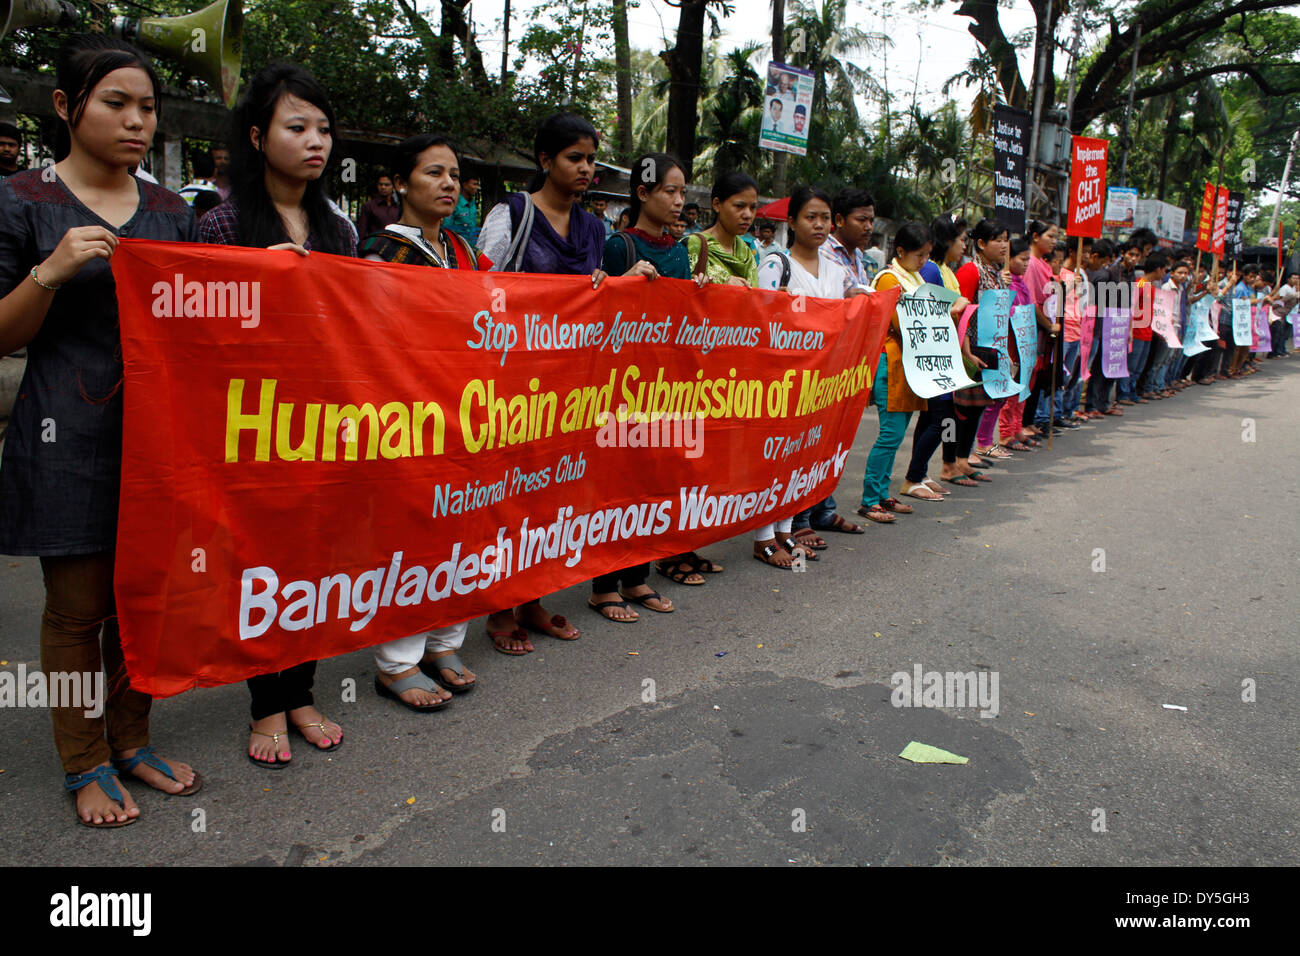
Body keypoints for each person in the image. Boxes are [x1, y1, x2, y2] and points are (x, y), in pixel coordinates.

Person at [0, 34, 202, 827]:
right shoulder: (21, 200)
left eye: (147, 107)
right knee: (78, 610)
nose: (136, 122)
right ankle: (83, 763)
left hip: (157, 437)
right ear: (65, 107)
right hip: (63, 433)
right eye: (116, 102)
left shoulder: (171, 212)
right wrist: (49, 271)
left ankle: (133, 742)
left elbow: (208, 320)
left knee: (143, 604)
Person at [200, 62, 353, 767]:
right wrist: (259, 282)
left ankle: (303, 692)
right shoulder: (221, 224)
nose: (315, 141)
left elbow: (362, 327)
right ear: (259, 137)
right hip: (253, 429)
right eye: (297, 127)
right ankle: (266, 704)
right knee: (262, 571)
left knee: (318, 565)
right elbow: (198, 334)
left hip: (326, 426)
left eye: (323, 128)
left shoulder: (341, 229)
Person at [476, 112, 632, 652]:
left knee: (553, 500)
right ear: (545, 161)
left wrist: (617, 285)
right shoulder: (512, 214)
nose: (587, 168)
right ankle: (499, 611)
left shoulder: (594, 228)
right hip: (513, 386)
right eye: (575, 158)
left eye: (591, 159)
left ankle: (535, 600)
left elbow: (599, 300)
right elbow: (479, 291)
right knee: (507, 501)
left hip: (570, 392)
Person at [358, 133, 490, 708]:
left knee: (462, 529)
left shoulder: (463, 250)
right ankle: (396, 662)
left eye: (454, 175)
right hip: (406, 415)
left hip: (468, 411)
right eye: (434, 173)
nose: (447, 184)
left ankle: (443, 642)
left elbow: (513, 305)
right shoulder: (380, 252)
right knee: (411, 537)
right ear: (402, 184)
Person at [591, 151, 708, 619]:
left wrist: (700, 294)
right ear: (642, 193)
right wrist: (622, 282)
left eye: (683, 192)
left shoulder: (679, 252)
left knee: (654, 484)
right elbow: (596, 310)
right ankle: (603, 585)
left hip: (668, 391)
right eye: (670, 191)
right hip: (621, 391)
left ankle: (637, 577)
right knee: (616, 488)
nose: (680, 201)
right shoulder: (620, 246)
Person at [753, 186, 857, 559]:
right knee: (774, 458)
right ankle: (763, 538)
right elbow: (761, 320)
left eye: (825, 218)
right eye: (810, 217)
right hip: (783, 379)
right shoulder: (775, 264)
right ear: (792, 220)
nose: (819, 225)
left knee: (799, 457)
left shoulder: (836, 270)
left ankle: (784, 531)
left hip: (821, 382)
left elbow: (852, 310)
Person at [858, 222, 937, 524]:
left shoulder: (912, 277)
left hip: (908, 364)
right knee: (890, 434)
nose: (924, 262)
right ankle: (868, 499)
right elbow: (899, 324)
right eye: (920, 255)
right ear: (901, 251)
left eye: (927, 255)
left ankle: (882, 494)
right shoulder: (889, 279)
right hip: (891, 361)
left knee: (897, 434)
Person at [914, 214, 975, 491]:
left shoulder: (948, 270)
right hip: (934, 355)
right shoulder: (931, 270)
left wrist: (966, 352)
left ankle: (922, 473)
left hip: (949, 353)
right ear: (946, 240)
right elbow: (928, 312)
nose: (964, 245)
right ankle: (917, 474)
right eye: (960, 239)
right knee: (942, 417)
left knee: (933, 417)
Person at [951, 218, 1009, 481]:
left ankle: (964, 459)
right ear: (982, 243)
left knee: (977, 408)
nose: (1004, 245)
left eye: (1006, 239)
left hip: (989, 348)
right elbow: (960, 314)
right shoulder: (971, 272)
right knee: (959, 411)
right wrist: (965, 352)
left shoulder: (996, 272)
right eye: (999, 240)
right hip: (969, 349)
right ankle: (951, 461)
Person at [356, 172, 401, 237]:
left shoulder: (398, 206)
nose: (383, 187)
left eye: (387, 185)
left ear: (393, 187)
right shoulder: (369, 206)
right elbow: (362, 231)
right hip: (375, 244)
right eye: (380, 184)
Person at [448, 173, 482, 245]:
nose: (477, 187)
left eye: (477, 184)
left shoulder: (473, 204)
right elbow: (447, 229)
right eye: (474, 184)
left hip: (471, 246)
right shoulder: (454, 203)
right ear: (465, 185)